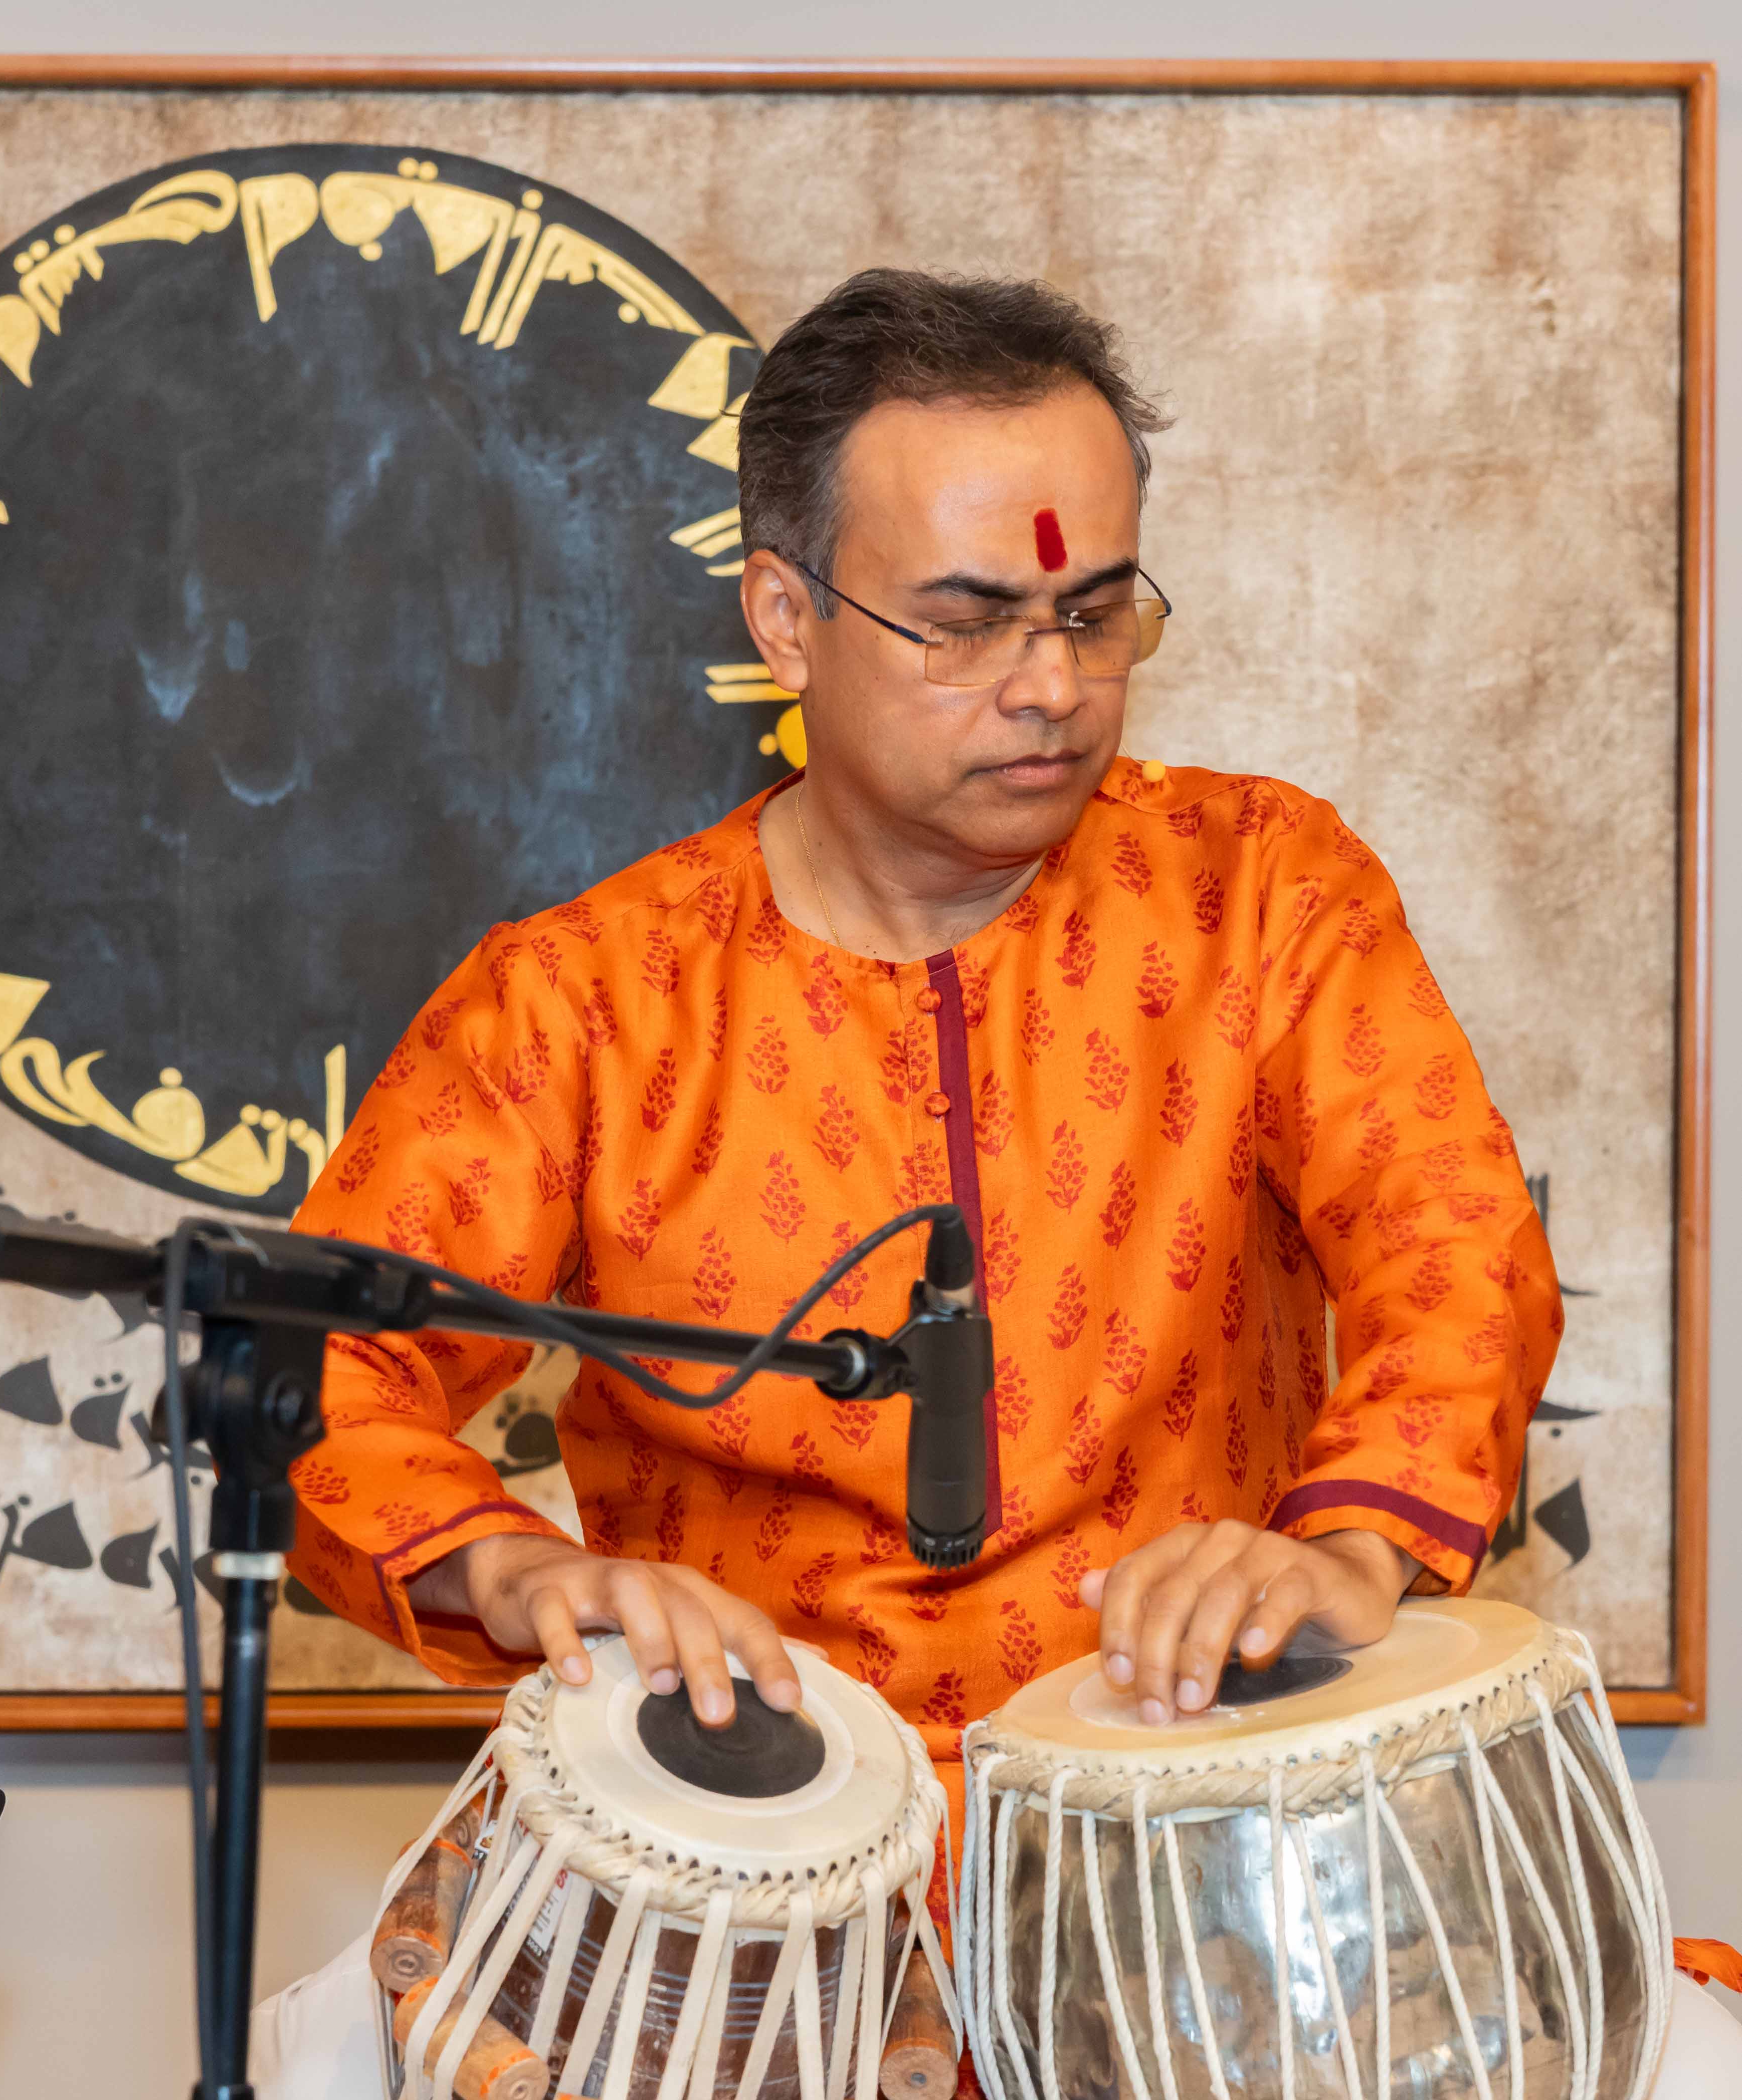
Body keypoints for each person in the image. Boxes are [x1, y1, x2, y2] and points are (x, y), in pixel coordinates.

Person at [282, 267, 1560, 1760]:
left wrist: (1342, 1549)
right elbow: (313, 1362)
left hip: (1202, 1830)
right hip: (756, 1864)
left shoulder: (1260, 894)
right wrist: (516, 1571)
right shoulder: (582, 1003)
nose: (1050, 687)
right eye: (967, 623)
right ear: (785, 615)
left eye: (1093, 613)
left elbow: (1452, 1252)